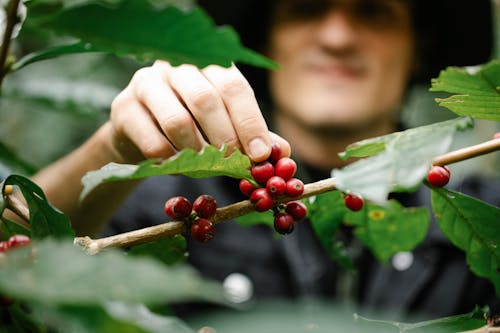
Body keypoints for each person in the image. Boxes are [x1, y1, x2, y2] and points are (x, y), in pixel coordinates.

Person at [31, 0, 498, 320]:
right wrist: (115, 150)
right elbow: (16, 271)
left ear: (419, 46)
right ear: (268, 40)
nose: (337, 37)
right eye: (306, 8)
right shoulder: (164, 203)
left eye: (374, 11)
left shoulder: (488, 216)